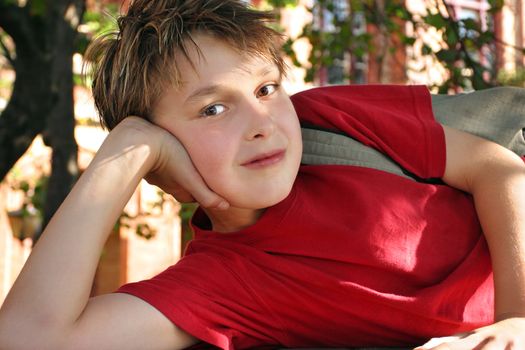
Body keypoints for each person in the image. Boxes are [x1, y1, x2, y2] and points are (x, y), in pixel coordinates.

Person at [0, 0, 524, 349]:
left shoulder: (329, 119)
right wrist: (127, 152)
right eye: (212, 110)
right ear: (161, 163)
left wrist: (518, 321)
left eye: (266, 89)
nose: (261, 123)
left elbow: (497, 169)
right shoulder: (223, 282)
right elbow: (27, 340)